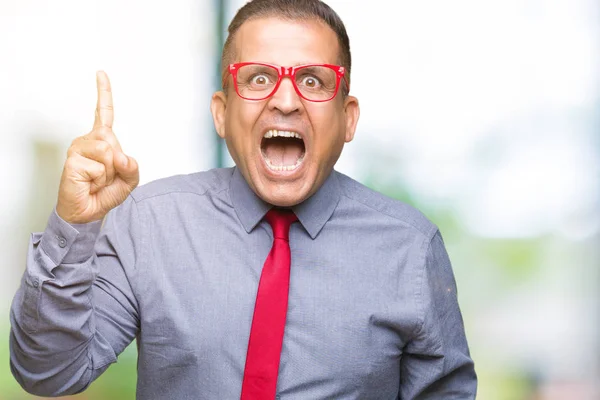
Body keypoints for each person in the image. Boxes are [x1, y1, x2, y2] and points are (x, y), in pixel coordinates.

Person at [9, 0, 477, 398]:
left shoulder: (411, 249)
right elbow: (47, 373)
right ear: (222, 112)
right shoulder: (150, 224)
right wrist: (73, 225)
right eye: (257, 78)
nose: (287, 101)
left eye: (313, 80)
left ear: (348, 117)